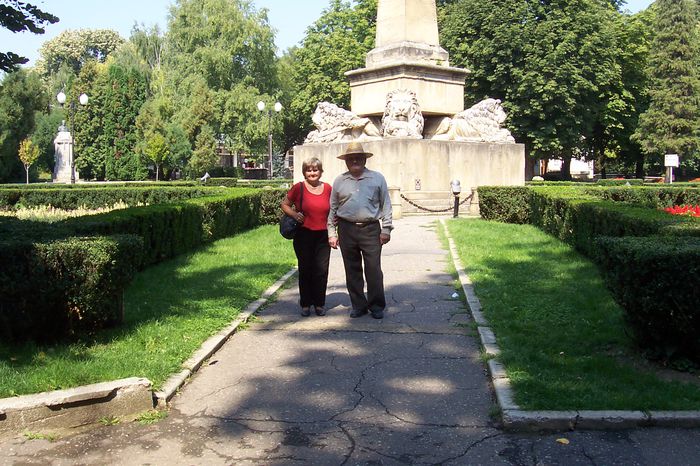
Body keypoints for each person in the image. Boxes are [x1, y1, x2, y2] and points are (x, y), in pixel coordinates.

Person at [327, 141, 393, 319]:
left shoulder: (377, 178)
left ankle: (377, 306)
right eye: (351, 158)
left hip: (371, 229)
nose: (355, 161)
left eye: (358, 158)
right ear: (346, 161)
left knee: (373, 270)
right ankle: (358, 305)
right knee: (352, 269)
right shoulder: (339, 181)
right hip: (346, 229)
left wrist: (386, 229)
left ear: (364, 159)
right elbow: (332, 209)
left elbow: (386, 204)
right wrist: (331, 233)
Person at [281, 157, 332, 317]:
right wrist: (295, 215)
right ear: (304, 172)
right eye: (309, 170)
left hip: (323, 235)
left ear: (320, 172)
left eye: (315, 169)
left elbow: (334, 208)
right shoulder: (299, 188)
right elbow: (284, 204)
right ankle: (305, 303)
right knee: (305, 269)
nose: (312, 172)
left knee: (321, 270)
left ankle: (319, 303)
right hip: (304, 234)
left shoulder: (328, 188)